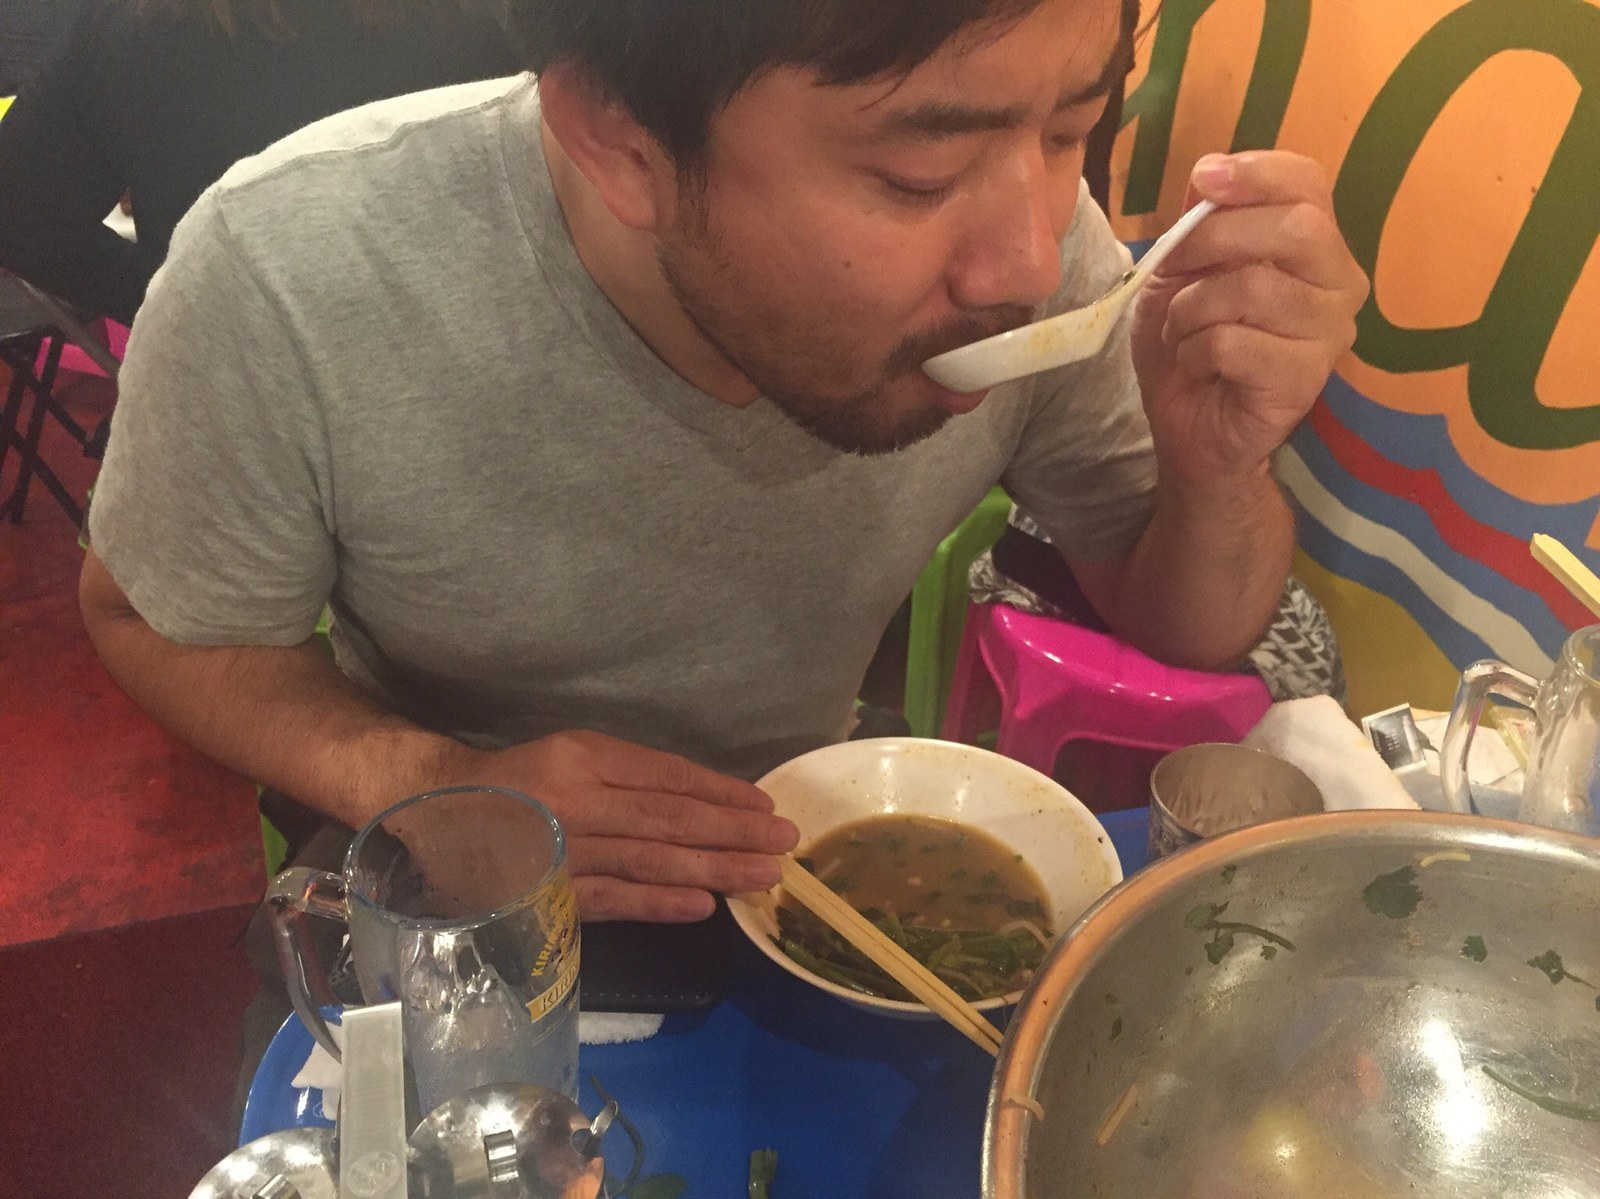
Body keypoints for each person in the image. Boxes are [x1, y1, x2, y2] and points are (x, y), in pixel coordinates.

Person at [79, 0, 1369, 928]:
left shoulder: (1051, 251)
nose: (1029, 260)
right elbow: (147, 616)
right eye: (918, 173)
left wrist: (1216, 467)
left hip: (797, 872)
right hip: (439, 881)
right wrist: (426, 784)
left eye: (1070, 128)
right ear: (622, 141)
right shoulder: (292, 266)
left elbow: (1187, 627)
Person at [0, 0, 518, 324]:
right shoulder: (475, 33)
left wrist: (172, 301)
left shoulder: (134, 26)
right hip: (433, 396)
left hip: (218, 403)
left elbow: (17, 209)